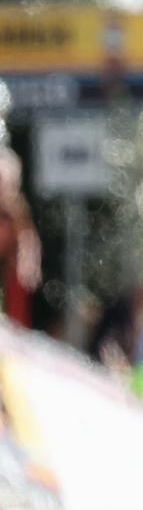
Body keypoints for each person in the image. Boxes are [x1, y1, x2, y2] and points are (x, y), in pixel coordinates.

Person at [0, 80, 41, 328]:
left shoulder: (8, 161)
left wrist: (28, 253)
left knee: (23, 265)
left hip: (11, 228)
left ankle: (16, 335)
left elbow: (16, 207)